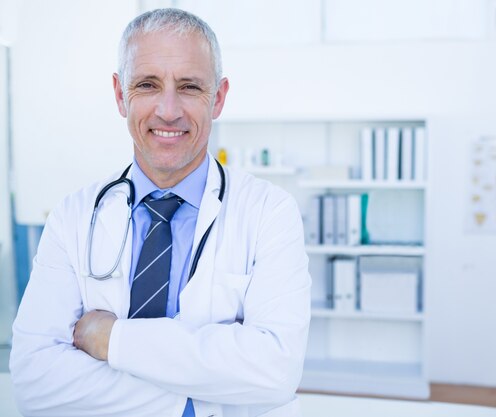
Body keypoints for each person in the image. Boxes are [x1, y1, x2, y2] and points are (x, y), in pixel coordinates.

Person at [10, 8, 311, 417]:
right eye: (148, 85)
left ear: (218, 98)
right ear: (120, 95)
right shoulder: (73, 217)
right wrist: (196, 396)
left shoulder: (269, 213)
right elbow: (33, 380)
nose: (168, 111)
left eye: (189, 87)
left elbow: (276, 370)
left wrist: (113, 340)